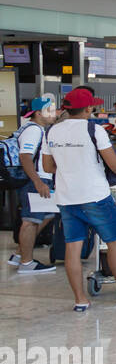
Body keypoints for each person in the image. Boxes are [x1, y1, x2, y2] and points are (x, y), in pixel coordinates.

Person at [41, 87, 116, 311]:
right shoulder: (93, 130)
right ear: (88, 108)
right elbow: (113, 164)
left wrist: (68, 166)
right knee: (115, 242)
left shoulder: (52, 131)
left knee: (72, 247)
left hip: (67, 198)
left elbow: (48, 167)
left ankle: (80, 300)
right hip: (95, 196)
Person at [7, 94, 60, 273]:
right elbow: (25, 157)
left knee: (48, 214)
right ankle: (27, 263)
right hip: (36, 179)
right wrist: (37, 181)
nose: (54, 114)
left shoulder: (36, 128)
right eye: (49, 111)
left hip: (40, 178)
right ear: (38, 113)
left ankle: (20, 254)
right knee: (30, 221)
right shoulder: (34, 130)